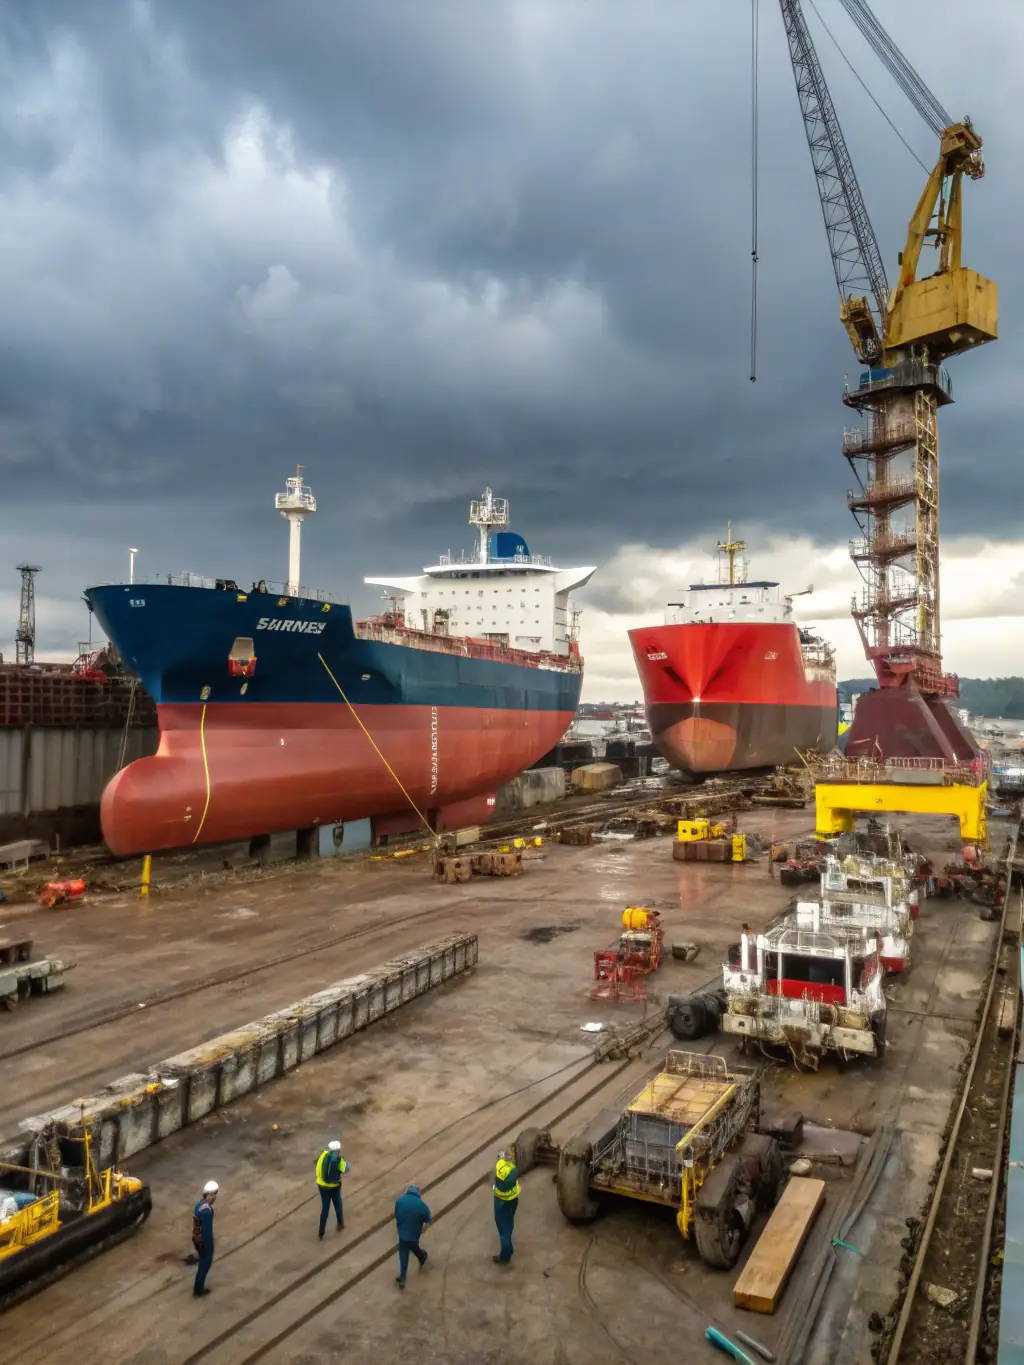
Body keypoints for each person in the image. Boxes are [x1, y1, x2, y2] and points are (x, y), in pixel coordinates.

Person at [393, 1184, 431, 1288]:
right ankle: (422, 1256)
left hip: (402, 1232)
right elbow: (428, 1218)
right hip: (414, 1233)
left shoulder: (400, 1201)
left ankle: (403, 1277)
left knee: (404, 1254)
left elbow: (396, 1214)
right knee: (413, 1246)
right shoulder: (421, 1205)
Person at [315, 1139, 350, 1239]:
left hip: (322, 1186)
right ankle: (340, 1224)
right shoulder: (339, 1161)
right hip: (335, 1187)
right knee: (338, 1204)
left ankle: (321, 1233)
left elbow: (317, 1168)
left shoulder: (323, 1155)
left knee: (325, 1208)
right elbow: (347, 1169)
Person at [492, 1149, 520, 1265]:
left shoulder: (500, 1169)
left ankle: (505, 1255)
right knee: (509, 1223)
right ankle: (508, 1250)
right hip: (513, 1200)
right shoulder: (513, 1170)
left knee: (503, 1229)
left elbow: (500, 1162)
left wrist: (501, 1156)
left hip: (501, 1203)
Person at [192, 1180, 218, 1297]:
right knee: (205, 1264)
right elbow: (207, 1232)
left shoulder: (199, 1205)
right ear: (209, 1195)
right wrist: (211, 1246)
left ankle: (198, 1287)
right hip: (203, 1241)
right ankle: (198, 1290)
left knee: (202, 1263)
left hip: (196, 1239)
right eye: (213, 1195)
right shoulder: (207, 1212)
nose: (214, 1198)